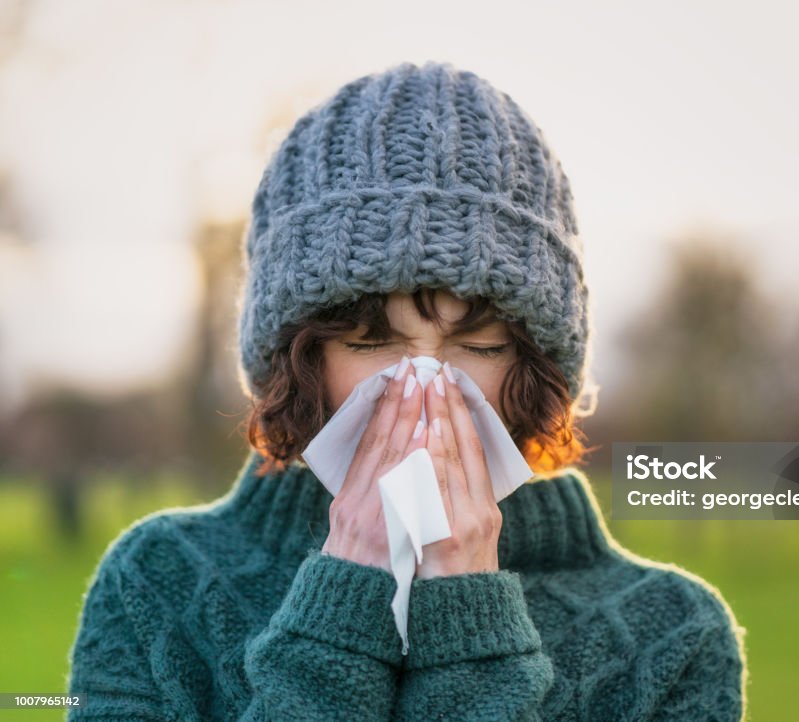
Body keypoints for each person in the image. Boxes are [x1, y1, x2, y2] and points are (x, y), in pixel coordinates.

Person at [66, 60, 747, 721]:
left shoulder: (673, 635)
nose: (423, 389)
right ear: (298, 357)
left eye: (477, 347)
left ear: (537, 366)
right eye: (369, 343)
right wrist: (340, 612)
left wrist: (469, 620)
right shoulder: (156, 583)